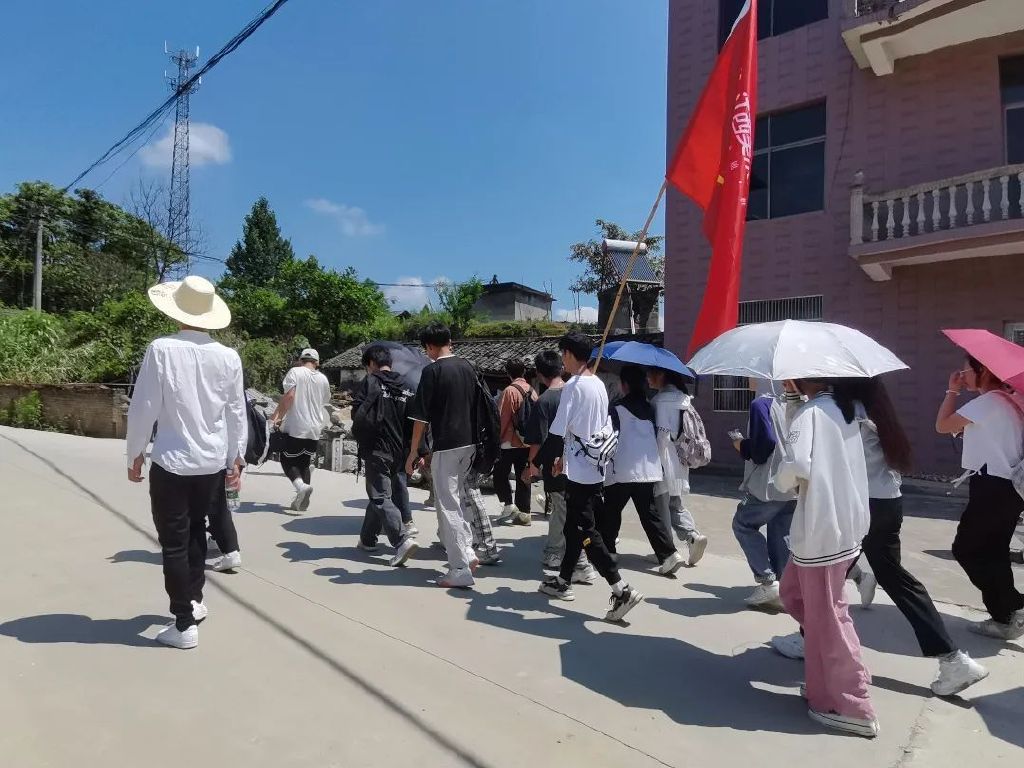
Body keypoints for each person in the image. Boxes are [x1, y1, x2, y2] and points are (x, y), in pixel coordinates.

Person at [827, 377, 988, 696]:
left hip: (863, 503)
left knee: (827, 573)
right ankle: (953, 660)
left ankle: (809, 638)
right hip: (888, 501)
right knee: (887, 577)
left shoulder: (843, 412)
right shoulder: (877, 410)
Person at [126, 276, 247, 650]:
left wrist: (135, 452)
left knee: (175, 543)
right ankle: (194, 600)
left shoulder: (162, 349)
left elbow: (144, 406)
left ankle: (183, 624)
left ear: (177, 311)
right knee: (196, 532)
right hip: (210, 463)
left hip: (172, 462)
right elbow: (235, 412)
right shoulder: (228, 356)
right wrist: (236, 458)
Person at [773, 379, 877, 738]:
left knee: (828, 616)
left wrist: (782, 478)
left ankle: (851, 702)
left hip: (821, 530)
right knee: (795, 595)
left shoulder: (813, 412)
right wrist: (793, 400)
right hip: (840, 525)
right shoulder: (843, 409)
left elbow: (795, 465)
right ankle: (826, 683)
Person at [536, 332, 644, 622]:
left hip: (580, 472)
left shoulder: (573, 387)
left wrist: (538, 463)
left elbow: (558, 430)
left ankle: (621, 589)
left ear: (570, 354)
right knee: (574, 527)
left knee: (585, 531)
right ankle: (563, 581)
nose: (562, 360)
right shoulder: (597, 384)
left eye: (563, 354)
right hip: (595, 466)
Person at [936, 355, 1024, 640]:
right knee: (994, 552)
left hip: (992, 486)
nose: (962, 376)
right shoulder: (1010, 401)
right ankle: (1005, 618)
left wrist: (952, 390)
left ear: (982, 371)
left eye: (965, 371)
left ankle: (1014, 607)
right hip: (1009, 488)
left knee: (966, 549)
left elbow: (943, 425)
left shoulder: (987, 403)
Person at [406, 322, 481, 589]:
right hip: (470, 443)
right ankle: (468, 551)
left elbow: (420, 417)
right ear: (449, 341)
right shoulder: (469, 367)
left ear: (429, 346)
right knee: (458, 498)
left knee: (447, 504)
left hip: (446, 444)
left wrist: (413, 451)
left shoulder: (432, 371)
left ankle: (459, 568)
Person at [602, 365, 684, 575]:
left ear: (624, 385)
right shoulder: (650, 408)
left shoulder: (616, 408)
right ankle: (669, 554)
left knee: (611, 511)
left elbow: (609, 436)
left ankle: (608, 552)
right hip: (648, 469)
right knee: (650, 515)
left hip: (621, 470)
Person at [522, 350, 595, 583]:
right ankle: (575, 556)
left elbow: (538, 440)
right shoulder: (575, 392)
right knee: (572, 511)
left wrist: (531, 466)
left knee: (561, 511)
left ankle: (557, 553)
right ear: (561, 369)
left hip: (555, 463)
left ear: (539, 373)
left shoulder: (544, 401)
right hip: (581, 462)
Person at [351, 345, 420, 567]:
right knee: (379, 493)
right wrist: (416, 451)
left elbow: (357, 414)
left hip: (377, 449)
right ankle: (367, 539)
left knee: (380, 496)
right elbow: (416, 422)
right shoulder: (407, 387)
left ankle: (401, 540)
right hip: (400, 451)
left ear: (371, 363)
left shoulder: (371, 382)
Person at [730, 379, 796, 609]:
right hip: (793, 483)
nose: (748, 378)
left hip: (768, 483)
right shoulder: (797, 403)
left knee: (743, 524)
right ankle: (783, 588)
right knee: (781, 534)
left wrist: (741, 445)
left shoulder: (761, 404)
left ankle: (767, 580)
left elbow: (761, 449)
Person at [648, 367, 708, 565]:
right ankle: (692, 536)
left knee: (661, 508)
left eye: (650, 374)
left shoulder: (659, 402)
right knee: (675, 504)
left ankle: (667, 551)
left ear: (661, 375)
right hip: (680, 460)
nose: (648, 378)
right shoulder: (684, 399)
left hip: (661, 461)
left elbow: (657, 436)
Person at [271, 349, 331, 512]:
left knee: (286, 459)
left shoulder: (295, 372)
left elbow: (289, 396)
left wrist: (277, 417)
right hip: (315, 428)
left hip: (296, 426)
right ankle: (301, 500)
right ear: (317, 362)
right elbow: (325, 400)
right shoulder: (323, 379)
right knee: (304, 463)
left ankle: (301, 487)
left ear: (300, 360)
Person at [495, 359, 536, 526]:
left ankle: (508, 504)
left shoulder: (509, 391)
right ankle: (525, 513)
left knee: (499, 475)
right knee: (523, 476)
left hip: (509, 441)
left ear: (508, 373)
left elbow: (502, 418)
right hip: (527, 442)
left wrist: (497, 438)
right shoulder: (532, 391)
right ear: (524, 372)